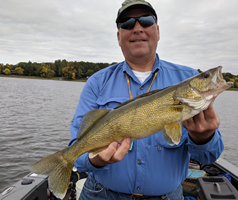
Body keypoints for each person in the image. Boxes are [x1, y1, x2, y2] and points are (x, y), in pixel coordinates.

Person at [69, 0, 224, 199]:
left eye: (146, 20)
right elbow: (78, 157)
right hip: (100, 194)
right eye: (127, 23)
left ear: (157, 31)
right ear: (119, 36)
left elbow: (209, 157)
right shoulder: (97, 82)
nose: (137, 28)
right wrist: (96, 160)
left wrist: (204, 137)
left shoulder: (186, 77)